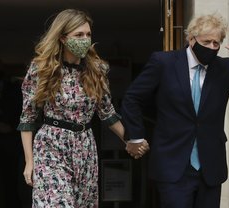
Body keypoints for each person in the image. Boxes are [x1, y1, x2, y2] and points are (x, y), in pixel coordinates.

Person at [121, 13, 229, 208]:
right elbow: (132, 98)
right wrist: (135, 136)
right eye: (207, 42)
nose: (212, 47)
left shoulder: (223, 68)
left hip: (210, 167)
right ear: (191, 39)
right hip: (173, 164)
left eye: (216, 43)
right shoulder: (164, 63)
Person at [17, 9, 148, 207]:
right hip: (50, 146)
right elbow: (27, 118)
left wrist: (129, 141)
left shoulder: (97, 70)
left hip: (84, 147)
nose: (85, 39)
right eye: (78, 35)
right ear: (62, 37)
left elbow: (107, 113)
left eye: (88, 35)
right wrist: (29, 161)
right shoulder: (41, 69)